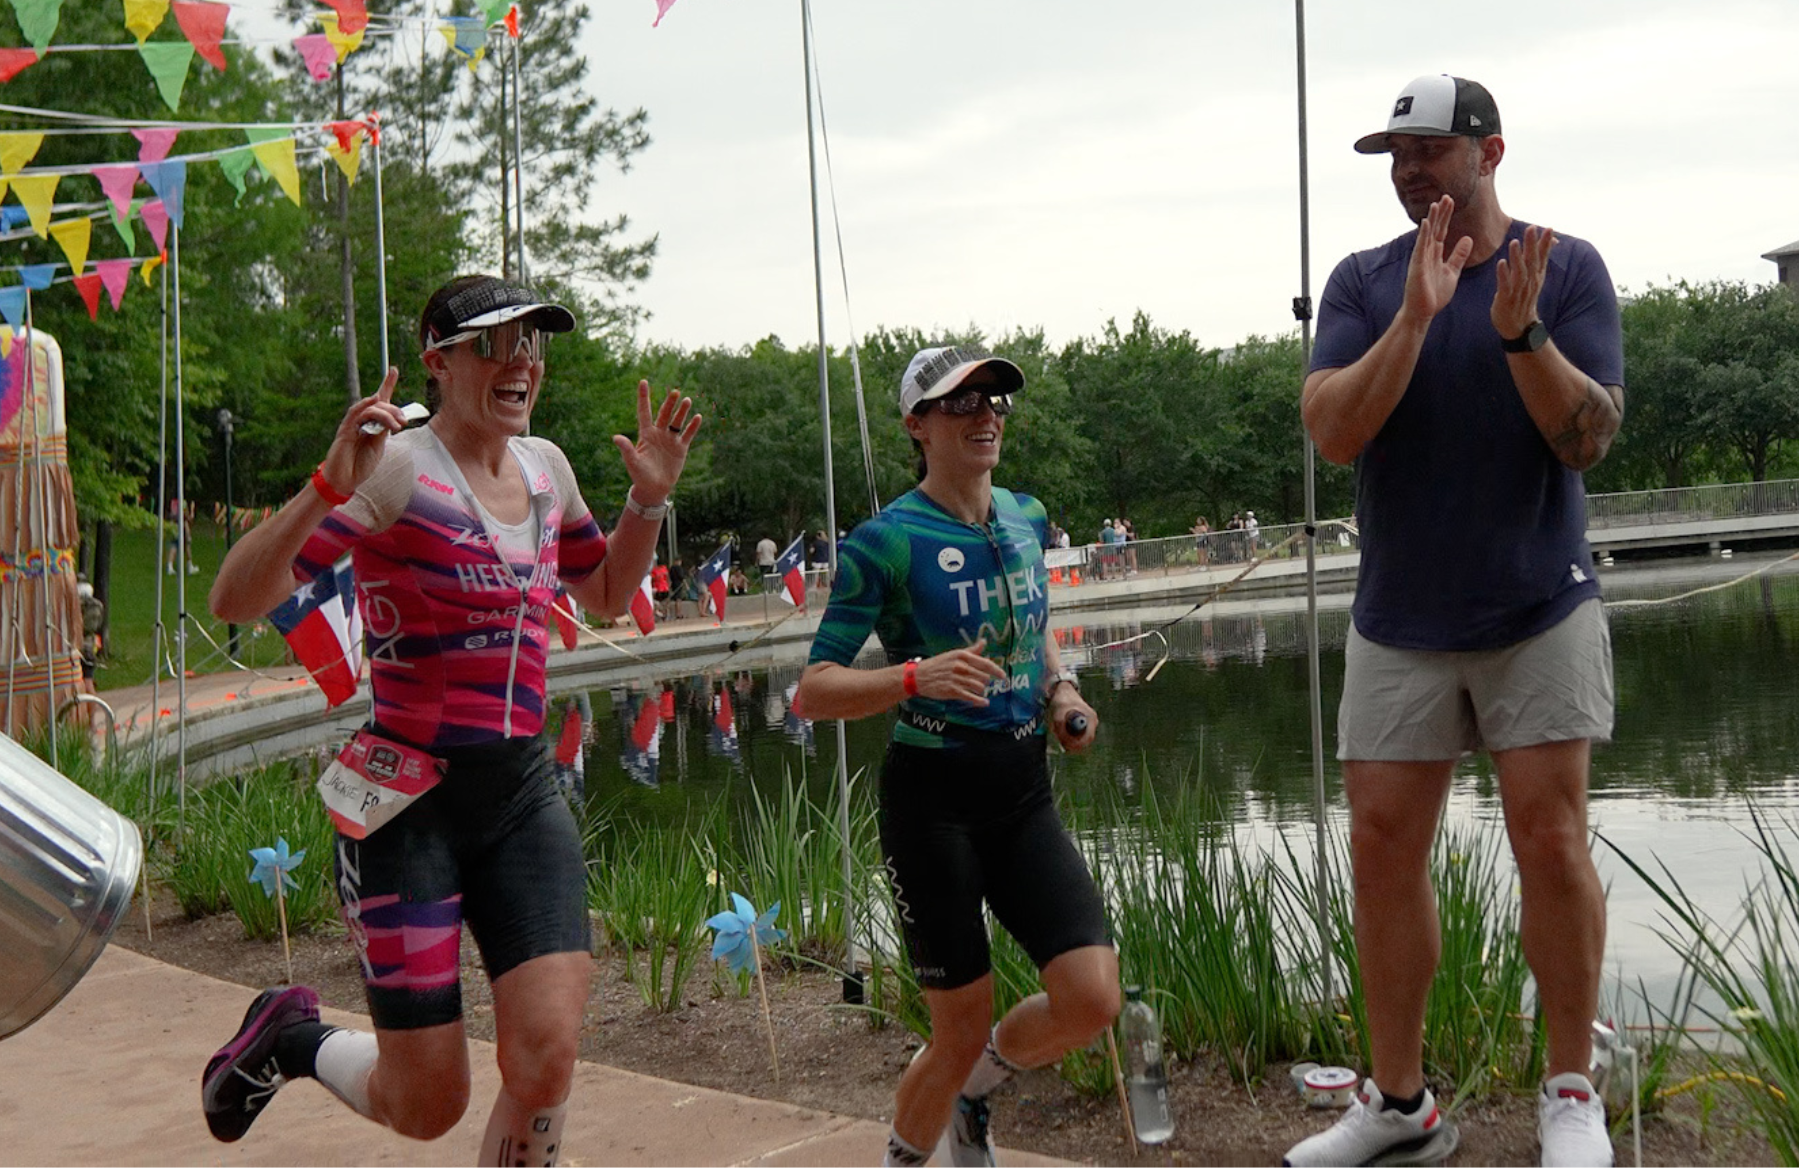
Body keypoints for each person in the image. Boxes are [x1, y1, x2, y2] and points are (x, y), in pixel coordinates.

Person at [197, 275, 701, 1167]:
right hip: (407, 807)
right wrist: (325, 485)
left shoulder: (548, 469)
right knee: (429, 1103)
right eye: (493, 345)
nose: (520, 363)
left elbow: (610, 594)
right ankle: (293, 1040)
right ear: (437, 360)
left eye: (532, 345)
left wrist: (648, 501)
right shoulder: (396, 467)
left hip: (520, 794)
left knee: (546, 1057)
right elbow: (236, 598)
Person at [1285, 75, 1624, 1168]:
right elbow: (1334, 431)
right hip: (1400, 617)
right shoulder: (1362, 282)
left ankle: (1569, 1088)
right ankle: (1399, 1108)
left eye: (1431, 148)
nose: (1411, 169)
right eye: (1396, 153)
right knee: (1382, 852)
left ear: (1491, 152)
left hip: (1538, 606)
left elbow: (1586, 440)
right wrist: (1419, 319)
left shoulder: (1563, 266)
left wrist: (1520, 336)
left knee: (1552, 840)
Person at [796, 344, 1117, 1168]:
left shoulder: (1025, 515)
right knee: (956, 1027)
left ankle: (975, 1091)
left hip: (1022, 791)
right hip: (932, 804)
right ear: (917, 424)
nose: (986, 416)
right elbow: (813, 690)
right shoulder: (886, 541)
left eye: (995, 401)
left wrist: (1061, 694)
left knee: (1092, 998)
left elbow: (1036, 620)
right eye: (962, 403)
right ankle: (908, 1153)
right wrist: (912, 676)